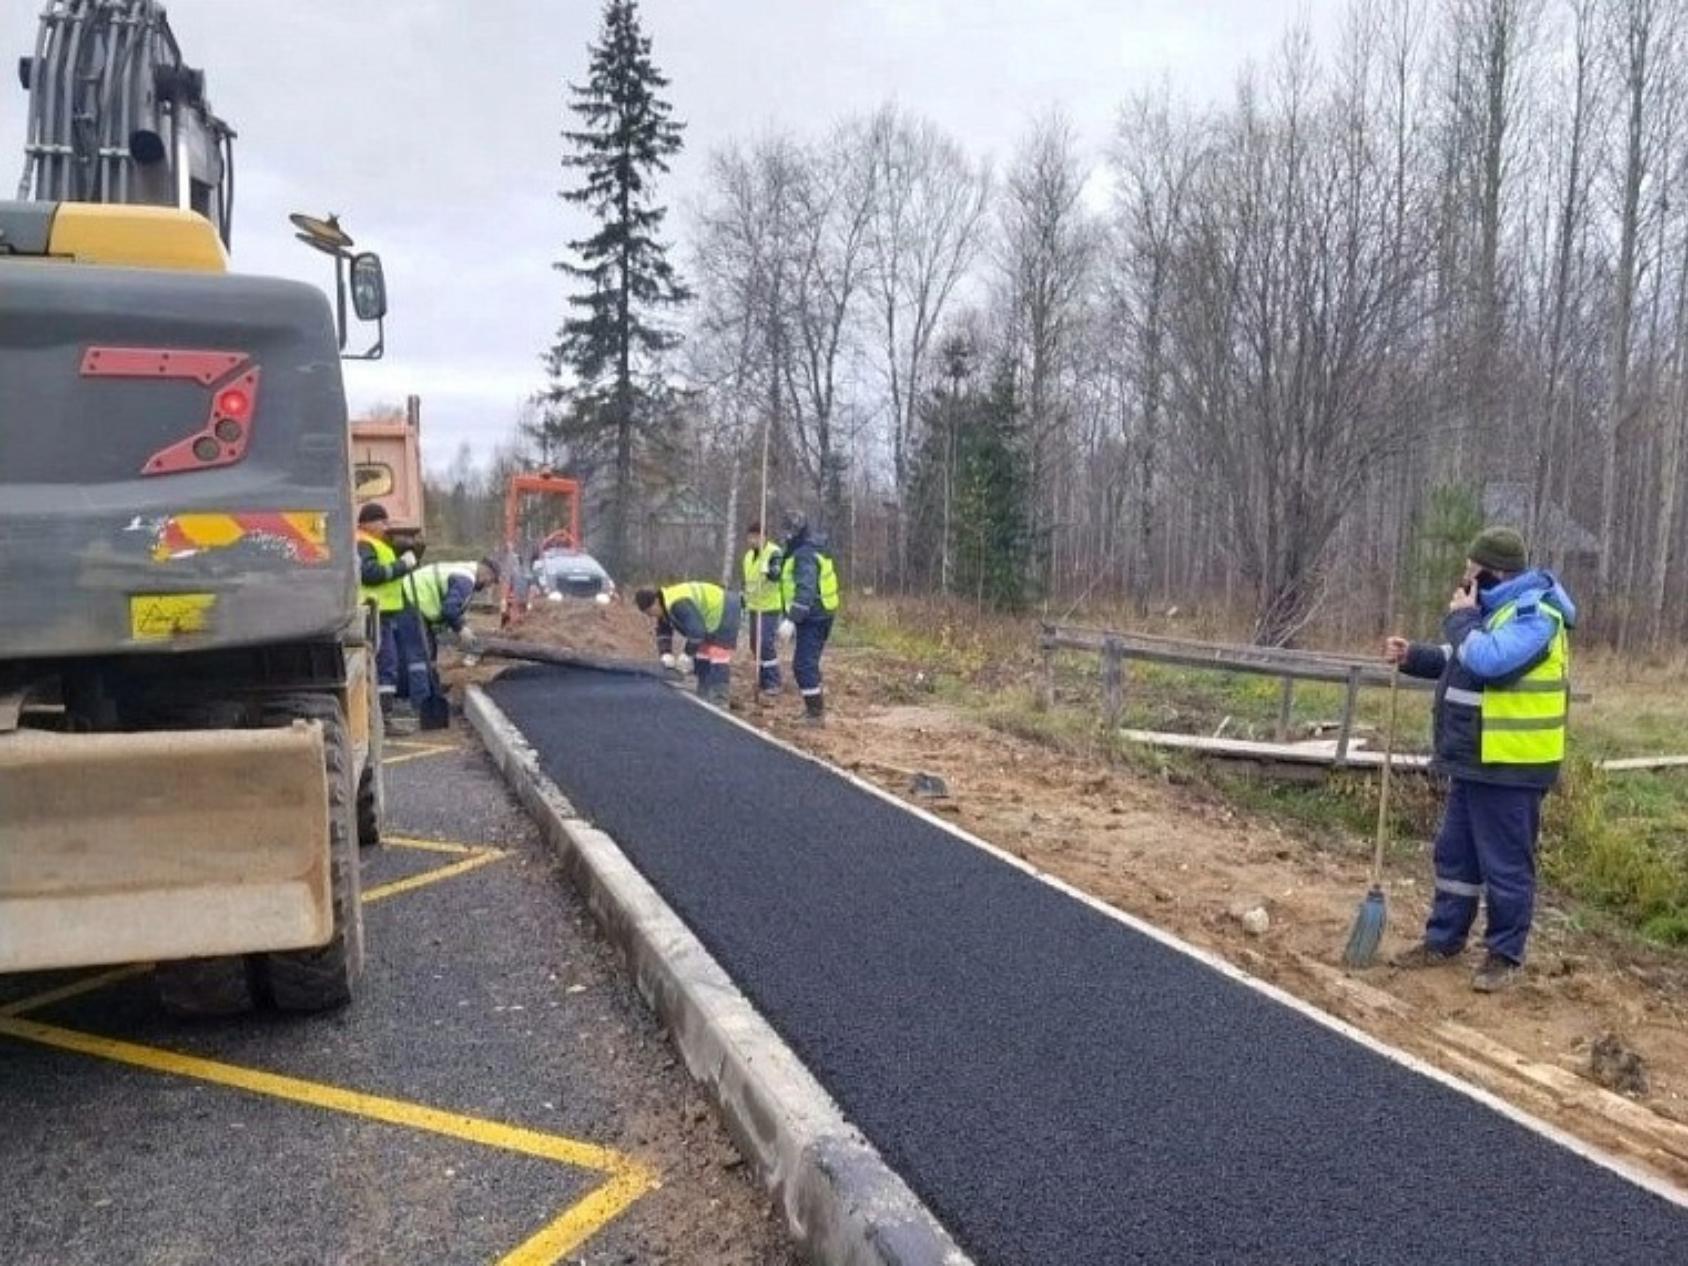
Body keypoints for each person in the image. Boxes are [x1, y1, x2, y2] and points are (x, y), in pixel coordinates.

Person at [1384, 526, 1577, 993]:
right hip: (1474, 759)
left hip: (1512, 765)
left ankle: (1503, 956)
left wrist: (1460, 620)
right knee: (1456, 856)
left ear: (1492, 573)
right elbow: (1461, 658)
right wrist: (1415, 656)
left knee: (1506, 866)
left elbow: (1491, 662)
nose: (1464, 582)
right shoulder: (1495, 612)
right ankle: (1443, 939)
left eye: (1471, 573)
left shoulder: (1536, 615)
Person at [355, 503, 421, 731]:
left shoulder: (375, 543)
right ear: (367, 523)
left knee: (385, 665)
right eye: (382, 522)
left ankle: (380, 719)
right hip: (373, 614)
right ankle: (382, 721)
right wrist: (402, 565)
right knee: (385, 666)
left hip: (381, 615)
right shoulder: (364, 543)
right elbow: (370, 574)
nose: (386, 526)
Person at [771, 511, 839, 727]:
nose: (786, 535)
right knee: (807, 663)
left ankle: (815, 713)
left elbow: (805, 590)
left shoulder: (805, 555)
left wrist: (791, 619)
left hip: (814, 616)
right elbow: (785, 575)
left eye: (790, 530)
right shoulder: (800, 550)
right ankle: (814, 706)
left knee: (803, 665)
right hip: (817, 614)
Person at [635, 582, 742, 703]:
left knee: (718, 653)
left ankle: (720, 696)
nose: (650, 616)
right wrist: (666, 653)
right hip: (708, 614)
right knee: (702, 653)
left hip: (725, 608)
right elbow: (664, 630)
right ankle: (704, 691)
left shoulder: (678, 604)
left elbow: (696, 632)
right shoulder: (665, 604)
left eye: (649, 612)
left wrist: (687, 654)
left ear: (655, 602)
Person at [405, 557, 501, 656]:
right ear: (487, 573)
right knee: (421, 654)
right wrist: (461, 629)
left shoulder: (464, 570)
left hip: (414, 599)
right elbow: (449, 609)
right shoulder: (466, 580)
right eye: (491, 580)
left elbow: (453, 606)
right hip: (411, 600)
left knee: (429, 650)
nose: (489, 585)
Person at [742, 520, 784, 701]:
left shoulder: (774, 552)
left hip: (769, 607)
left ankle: (773, 681)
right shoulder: (747, 556)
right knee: (754, 644)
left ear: (763, 536)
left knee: (765, 644)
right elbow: (747, 581)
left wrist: (767, 569)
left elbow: (776, 575)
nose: (752, 540)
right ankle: (762, 676)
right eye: (750, 537)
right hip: (754, 606)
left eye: (756, 536)